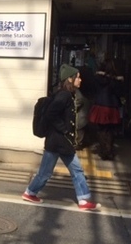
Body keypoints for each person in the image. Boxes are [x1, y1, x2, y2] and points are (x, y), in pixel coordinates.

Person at [22, 64, 101, 211]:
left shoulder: (65, 94)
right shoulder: (64, 95)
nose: (80, 80)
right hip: (60, 141)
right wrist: (64, 129)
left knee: (50, 172)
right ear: (70, 80)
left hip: (58, 141)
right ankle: (83, 200)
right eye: (78, 77)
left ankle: (30, 192)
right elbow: (51, 113)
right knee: (71, 171)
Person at [88, 59, 124, 160]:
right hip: (112, 106)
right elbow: (119, 93)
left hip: (99, 105)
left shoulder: (97, 78)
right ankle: (109, 150)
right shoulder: (116, 80)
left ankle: (104, 150)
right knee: (110, 129)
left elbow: (92, 89)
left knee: (101, 129)